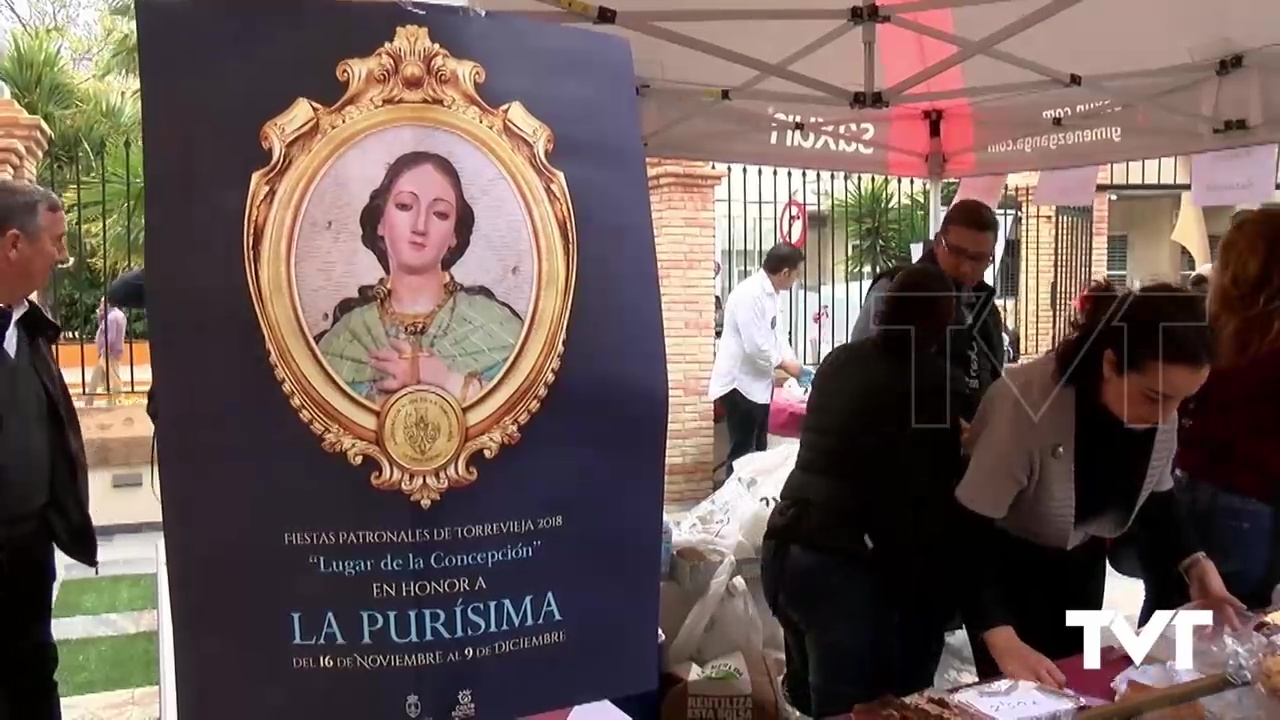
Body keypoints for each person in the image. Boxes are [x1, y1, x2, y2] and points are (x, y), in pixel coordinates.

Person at [955, 281, 1243, 686]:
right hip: (1004, 566)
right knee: (1019, 693)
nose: (1166, 416)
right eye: (1154, 396)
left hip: (1081, 562)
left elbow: (1158, 495)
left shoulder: (1160, 408)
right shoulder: (1023, 404)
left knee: (1075, 680)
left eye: (1183, 400)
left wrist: (1195, 562)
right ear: (1110, 363)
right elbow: (968, 533)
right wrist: (999, 634)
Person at [761, 264, 969, 716]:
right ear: (943, 323)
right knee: (863, 709)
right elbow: (932, 485)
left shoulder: (841, 360)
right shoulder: (931, 381)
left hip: (788, 551)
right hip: (844, 566)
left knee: (817, 702)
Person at [316, 151, 524, 405]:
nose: (420, 225)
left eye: (440, 214)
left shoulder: (494, 327)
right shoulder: (347, 337)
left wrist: (445, 379)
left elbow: (518, 403)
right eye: (405, 206)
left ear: (454, 236)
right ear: (380, 222)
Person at [0, 180, 98, 718]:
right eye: (55, 242)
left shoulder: (29, 329)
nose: (62, 256)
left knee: (34, 675)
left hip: (28, 552)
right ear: (15, 244)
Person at [1171, 208, 1280, 611]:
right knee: (1237, 631)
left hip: (1184, 492)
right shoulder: (1267, 341)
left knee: (1171, 622)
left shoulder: (1207, 328)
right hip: (1251, 501)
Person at [850, 199, 1004, 415]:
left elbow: (994, 376)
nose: (966, 267)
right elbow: (861, 371)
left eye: (978, 258)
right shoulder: (896, 290)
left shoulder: (985, 306)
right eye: (957, 253)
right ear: (938, 243)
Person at [708, 243, 805, 477]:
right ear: (785, 272)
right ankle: (732, 508)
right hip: (739, 385)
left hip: (759, 385)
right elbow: (755, 346)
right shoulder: (749, 295)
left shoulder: (773, 295)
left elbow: (777, 335)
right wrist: (784, 364)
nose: (795, 280)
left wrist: (795, 364)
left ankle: (752, 506)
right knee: (743, 453)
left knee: (759, 452)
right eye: (796, 274)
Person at [85, 297, 127, 406]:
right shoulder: (117, 315)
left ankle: (118, 400)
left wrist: (105, 350)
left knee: (114, 376)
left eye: (102, 303)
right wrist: (101, 316)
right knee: (97, 374)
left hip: (109, 352)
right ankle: (90, 400)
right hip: (112, 351)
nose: (100, 305)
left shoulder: (111, 317)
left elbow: (110, 336)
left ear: (107, 304)